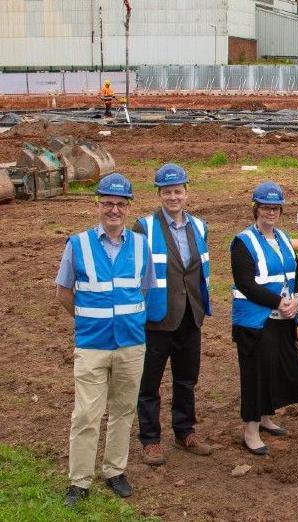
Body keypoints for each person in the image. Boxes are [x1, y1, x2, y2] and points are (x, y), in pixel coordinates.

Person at [56, 173, 154, 507]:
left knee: (124, 410)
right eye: (108, 203)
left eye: (120, 204)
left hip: (130, 344)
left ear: (128, 208)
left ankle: (115, 471)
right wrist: (88, 319)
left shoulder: (142, 245)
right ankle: (79, 481)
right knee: (85, 415)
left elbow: (144, 290)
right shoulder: (77, 244)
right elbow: (64, 293)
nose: (114, 210)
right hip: (92, 344)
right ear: (97, 205)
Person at [133, 163, 213, 466]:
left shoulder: (199, 226)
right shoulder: (145, 227)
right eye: (167, 192)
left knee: (186, 379)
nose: (173, 197)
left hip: (191, 315)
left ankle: (185, 431)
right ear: (159, 194)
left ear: (186, 193)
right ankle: (150, 440)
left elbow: (196, 271)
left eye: (177, 191)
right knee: (149, 384)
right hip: (157, 318)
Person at [230, 181, 298, 456]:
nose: (271, 213)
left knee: (274, 370)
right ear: (256, 209)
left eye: (275, 208)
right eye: (266, 207)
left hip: (283, 318)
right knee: (255, 374)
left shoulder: (283, 239)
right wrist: (279, 302)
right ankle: (251, 430)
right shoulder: (243, 242)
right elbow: (245, 283)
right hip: (254, 320)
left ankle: (266, 417)